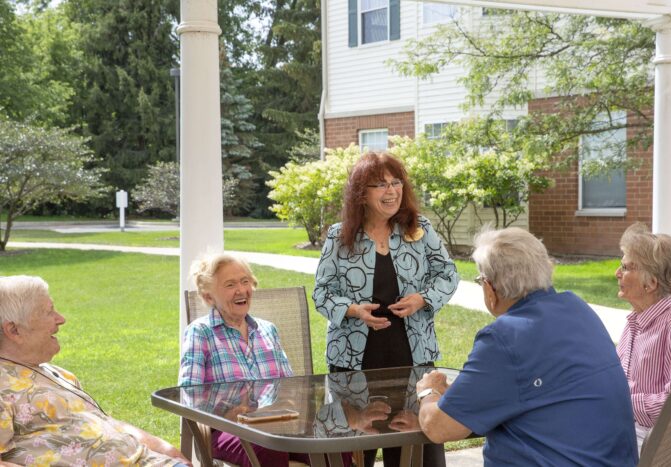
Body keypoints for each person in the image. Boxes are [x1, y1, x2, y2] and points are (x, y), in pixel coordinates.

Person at [416, 227, 638, 466]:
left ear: (490, 288)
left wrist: (428, 392)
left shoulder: (504, 337)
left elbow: (439, 428)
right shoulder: (578, 309)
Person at [313, 151, 459, 467]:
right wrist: (352, 310)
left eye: (396, 183)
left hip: (412, 357)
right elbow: (322, 293)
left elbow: (448, 274)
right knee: (354, 449)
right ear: (361, 194)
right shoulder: (340, 236)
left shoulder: (419, 230)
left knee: (416, 449)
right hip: (353, 361)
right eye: (380, 185)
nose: (391, 191)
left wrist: (423, 299)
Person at [179, 253, 352, 467]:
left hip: (280, 426)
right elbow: (188, 393)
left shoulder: (267, 330)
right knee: (268, 447)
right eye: (230, 284)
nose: (241, 290)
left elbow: (292, 387)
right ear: (208, 297)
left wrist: (293, 405)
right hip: (229, 430)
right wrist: (225, 411)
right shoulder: (200, 333)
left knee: (338, 443)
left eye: (245, 281)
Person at [0, 275, 191, 467]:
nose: (61, 319)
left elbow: (106, 423)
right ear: (14, 330)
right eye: (49, 312)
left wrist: (164, 448)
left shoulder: (57, 374)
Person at [615, 223, 671, 452]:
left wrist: (620, 402)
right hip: (620, 424)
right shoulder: (635, 321)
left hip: (645, 438)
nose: (617, 273)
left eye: (625, 267)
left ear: (651, 283)